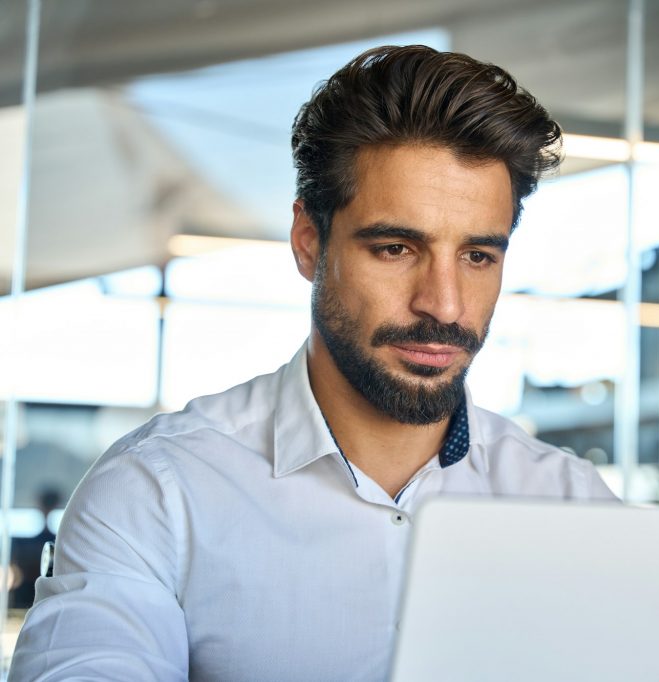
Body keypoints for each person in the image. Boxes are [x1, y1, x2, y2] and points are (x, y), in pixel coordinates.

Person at [9, 45, 617, 681]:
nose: (443, 304)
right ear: (309, 242)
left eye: (477, 257)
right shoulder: (158, 494)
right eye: (395, 248)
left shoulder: (571, 505)